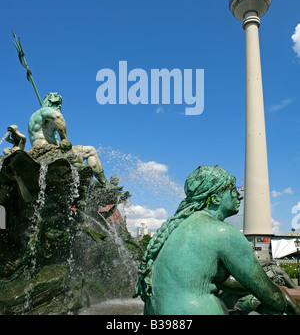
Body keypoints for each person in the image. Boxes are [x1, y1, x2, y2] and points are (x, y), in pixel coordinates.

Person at [135, 165, 300, 315]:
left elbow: (224, 283)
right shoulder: (224, 233)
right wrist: (281, 294)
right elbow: (273, 299)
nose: (239, 196)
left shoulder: (175, 229)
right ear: (215, 199)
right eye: (232, 190)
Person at [28, 92, 118, 188]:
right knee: (76, 158)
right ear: (49, 102)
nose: (58, 107)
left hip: (55, 149)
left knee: (90, 150)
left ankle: (104, 183)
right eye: (56, 104)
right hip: (44, 151)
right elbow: (58, 117)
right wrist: (64, 139)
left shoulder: (49, 124)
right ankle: (91, 180)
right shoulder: (41, 113)